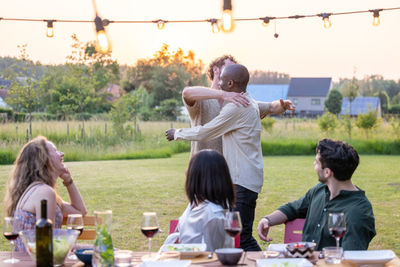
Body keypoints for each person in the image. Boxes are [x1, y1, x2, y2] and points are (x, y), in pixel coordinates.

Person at [166, 64, 263, 251]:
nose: (218, 83)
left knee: (242, 238)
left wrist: (178, 133)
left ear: (230, 82)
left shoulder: (236, 107)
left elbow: (206, 132)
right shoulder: (248, 100)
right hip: (247, 178)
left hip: (242, 180)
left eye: (221, 79)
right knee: (238, 235)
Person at [257, 138, 376, 250]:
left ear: (327, 172)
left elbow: (349, 259)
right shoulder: (319, 190)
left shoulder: (358, 212)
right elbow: (293, 208)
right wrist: (267, 220)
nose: (314, 164)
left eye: (317, 162)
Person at [182, 54, 295, 157]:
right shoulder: (202, 100)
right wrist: (223, 94)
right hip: (201, 169)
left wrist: (283, 105)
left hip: (227, 173)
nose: (232, 72)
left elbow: (270, 107)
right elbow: (187, 93)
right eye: (228, 67)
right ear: (215, 69)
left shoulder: (239, 103)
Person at [3, 136, 87, 251]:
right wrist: (91, 249)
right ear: (44, 159)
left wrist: (68, 180)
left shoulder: (38, 190)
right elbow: (48, 245)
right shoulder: (44, 193)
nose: (61, 154)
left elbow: (80, 212)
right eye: (56, 151)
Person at [164, 149, 235, 251]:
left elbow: (213, 255)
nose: (186, 172)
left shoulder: (214, 215)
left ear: (200, 175)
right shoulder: (196, 202)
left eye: (190, 167)